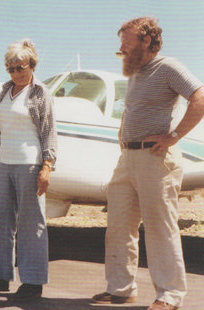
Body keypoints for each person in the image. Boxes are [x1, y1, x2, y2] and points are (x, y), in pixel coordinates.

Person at [91, 17, 204, 310]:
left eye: (126, 42)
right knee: (118, 226)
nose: (121, 48)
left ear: (145, 41)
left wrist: (174, 136)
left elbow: (200, 98)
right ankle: (121, 288)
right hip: (127, 159)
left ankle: (170, 295)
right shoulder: (136, 74)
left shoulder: (168, 67)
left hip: (156, 160)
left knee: (159, 228)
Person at [0, 38, 57, 302]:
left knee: (32, 224)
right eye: (11, 69)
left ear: (32, 65)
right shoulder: (4, 92)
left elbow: (48, 131)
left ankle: (33, 281)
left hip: (30, 163)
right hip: (5, 164)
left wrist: (47, 166)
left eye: (20, 68)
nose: (16, 73)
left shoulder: (40, 93)